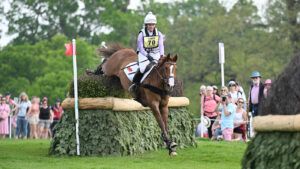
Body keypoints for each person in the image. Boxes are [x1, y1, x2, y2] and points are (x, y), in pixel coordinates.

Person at [129, 12, 165, 92]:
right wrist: (147, 55)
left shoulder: (159, 34)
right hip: (143, 54)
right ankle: (136, 84)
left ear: (155, 25)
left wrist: (162, 55)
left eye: (152, 24)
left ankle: (166, 84)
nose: (151, 26)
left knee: (164, 66)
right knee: (142, 69)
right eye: (149, 25)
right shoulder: (141, 34)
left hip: (156, 53)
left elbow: (161, 46)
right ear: (146, 25)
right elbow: (141, 48)